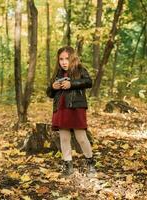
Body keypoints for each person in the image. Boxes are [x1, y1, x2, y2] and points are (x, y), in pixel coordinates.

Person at [46, 46, 96, 176]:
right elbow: (50, 93)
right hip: (61, 108)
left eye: (66, 59)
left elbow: (88, 82)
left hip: (76, 107)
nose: (63, 62)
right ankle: (68, 166)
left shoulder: (79, 69)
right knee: (64, 138)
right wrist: (53, 87)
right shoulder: (57, 73)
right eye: (61, 59)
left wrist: (72, 84)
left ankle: (90, 163)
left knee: (81, 137)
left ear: (72, 58)